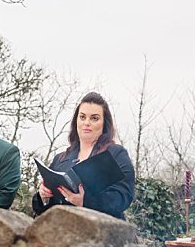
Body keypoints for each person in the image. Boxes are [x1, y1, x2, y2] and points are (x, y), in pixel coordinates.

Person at [33, 91, 135, 220]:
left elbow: (123, 197)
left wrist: (84, 202)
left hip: (101, 232)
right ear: (76, 121)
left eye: (94, 118)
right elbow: (43, 209)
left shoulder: (116, 154)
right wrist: (43, 196)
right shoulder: (60, 159)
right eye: (82, 117)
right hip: (61, 232)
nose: (87, 122)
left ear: (104, 124)